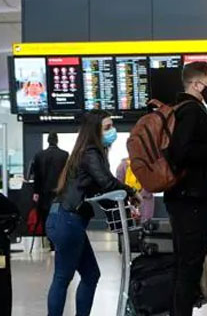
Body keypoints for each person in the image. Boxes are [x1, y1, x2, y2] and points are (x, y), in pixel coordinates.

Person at [46, 110, 140, 316]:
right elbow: (107, 183)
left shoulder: (85, 153)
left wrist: (125, 203)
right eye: (107, 127)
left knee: (90, 275)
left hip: (64, 218)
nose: (112, 131)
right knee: (63, 277)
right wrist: (132, 192)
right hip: (67, 219)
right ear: (94, 131)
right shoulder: (91, 152)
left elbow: (100, 191)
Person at [165, 61, 207, 316]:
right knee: (189, 266)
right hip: (190, 200)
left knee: (186, 263)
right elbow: (182, 153)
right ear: (196, 84)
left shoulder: (182, 110)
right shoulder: (192, 111)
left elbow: (188, 158)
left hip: (186, 197)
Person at [30, 132, 69, 244]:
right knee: (58, 215)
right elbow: (68, 174)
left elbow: (37, 176)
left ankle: (48, 238)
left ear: (48, 141)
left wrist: (36, 192)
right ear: (57, 140)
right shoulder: (64, 155)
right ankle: (56, 241)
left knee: (45, 216)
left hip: (44, 192)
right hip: (59, 192)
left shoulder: (39, 155)